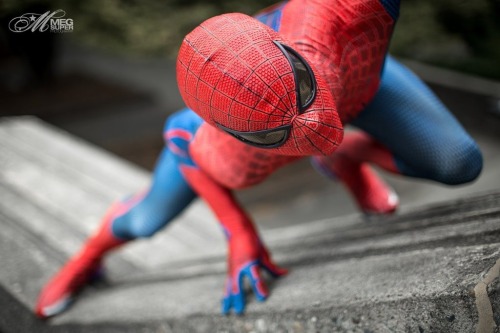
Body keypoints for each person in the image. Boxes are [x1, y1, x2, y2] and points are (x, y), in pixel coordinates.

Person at [35, 0, 483, 318]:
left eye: (303, 91)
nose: (314, 127)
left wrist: (332, 130)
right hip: (265, 117)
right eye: (276, 130)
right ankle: (88, 257)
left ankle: (347, 155)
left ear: (286, 50)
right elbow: (181, 138)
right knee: (147, 221)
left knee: (459, 163)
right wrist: (239, 232)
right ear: (239, 134)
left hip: (356, 80)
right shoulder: (228, 152)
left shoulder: (345, 12)